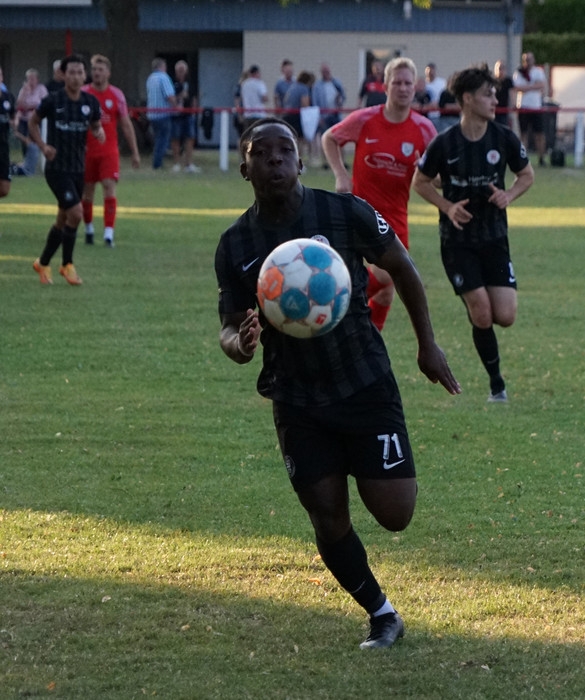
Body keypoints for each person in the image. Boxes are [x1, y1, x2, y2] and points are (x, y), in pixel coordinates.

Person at [216, 117, 460, 650]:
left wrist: (427, 344)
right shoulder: (235, 244)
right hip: (297, 397)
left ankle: (365, 458)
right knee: (327, 516)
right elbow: (230, 328)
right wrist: (242, 343)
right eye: (262, 153)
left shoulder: (343, 212)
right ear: (245, 167)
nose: (275, 160)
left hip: (364, 383)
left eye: (286, 151)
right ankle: (381, 613)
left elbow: (403, 266)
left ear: (302, 162)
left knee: (395, 514)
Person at [414, 64, 535, 402]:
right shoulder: (445, 143)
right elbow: (420, 182)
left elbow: (527, 175)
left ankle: (476, 298)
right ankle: (497, 384)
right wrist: (447, 206)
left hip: (495, 238)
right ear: (467, 99)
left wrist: (508, 195)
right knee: (482, 313)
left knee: (506, 317)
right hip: (458, 242)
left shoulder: (503, 137)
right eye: (487, 93)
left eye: (494, 93)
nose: (494, 98)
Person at [322, 57, 437, 332]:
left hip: (396, 216)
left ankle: (352, 323)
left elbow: (438, 174)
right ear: (385, 85)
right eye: (397, 82)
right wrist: (341, 174)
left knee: (386, 287)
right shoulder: (365, 119)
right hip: (360, 212)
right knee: (386, 277)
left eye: (408, 83)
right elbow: (330, 138)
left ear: (415, 88)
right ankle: (342, 309)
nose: (403, 88)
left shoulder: (424, 129)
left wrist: (440, 178)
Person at [29, 55, 105, 286]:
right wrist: (43, 146)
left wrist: (98, 132)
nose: (76, 76)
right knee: (75, 214)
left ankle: (42, 263)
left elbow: (96, 125)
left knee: (63, 219)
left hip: (77, 169)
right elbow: (32, 122)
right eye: (71, 72)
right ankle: (67, 265)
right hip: (56, 169)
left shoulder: (90, 103)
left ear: (84, 75)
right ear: (63, 75)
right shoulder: (53, 100)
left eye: (80, 72)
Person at [81, 54, 142, 247]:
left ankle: (108, 234)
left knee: (109, 187)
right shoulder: (84, 94)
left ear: (108, 73)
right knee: (87, 192)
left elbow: (125, 124)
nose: (97, 73)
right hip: (86, 152)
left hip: (108, 152)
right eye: (94, 70)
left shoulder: (116, 95)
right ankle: (89, 229)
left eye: (100, 70)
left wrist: (135, 152)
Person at [512, 52, 548, 166]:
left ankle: (541, 158)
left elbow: (541, 85)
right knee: (523, 134)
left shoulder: (538, 72)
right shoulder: (519, 73)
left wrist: (527, 87)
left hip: (536, 107)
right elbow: (517, 87)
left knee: (540, 134)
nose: (528, 62)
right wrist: (533, 86)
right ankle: (523, 158)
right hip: (523, 107)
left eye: (530, 59)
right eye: (526, 59)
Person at [13, 68, 47, 176]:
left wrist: (31, 106)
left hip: (36, 120)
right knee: (25, 141)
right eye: (29, 79)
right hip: (24, 119)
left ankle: (32, 166)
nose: (31, 81)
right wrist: (25, 92)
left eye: (33, 78)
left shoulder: (41, 89)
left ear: (37, 79)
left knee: (33, 142)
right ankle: (26, 164)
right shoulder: (24, 90)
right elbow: (20, 105)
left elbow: (44, 103)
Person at [145, 57, 176, 170]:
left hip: (152, 114)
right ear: (162, 66)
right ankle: (158, 163)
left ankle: (157, 160)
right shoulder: (164, 78)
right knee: (163, 139)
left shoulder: (150, 78)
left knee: (158, 138)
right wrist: (176, 106)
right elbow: (169, 96)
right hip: (163, 114)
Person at [170, 60, 200, 173]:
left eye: (183, 70)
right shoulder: (172, 82)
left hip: (189, 114)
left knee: (190, 138)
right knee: (175, 138)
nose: (181, 73)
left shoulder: (191, 82)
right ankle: (176, 163)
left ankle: (189, 164)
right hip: (176, 115)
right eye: (179, 70)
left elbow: (194, 97)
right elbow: (170, 97)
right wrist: (179, 96)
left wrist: (194, 110)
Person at [282, 70, 314, 163]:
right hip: (296, 116)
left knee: (290, 139)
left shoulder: (292, 86)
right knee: (300, 140)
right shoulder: (303, 88)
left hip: (287, 115)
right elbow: (305, 104)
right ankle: (298, 162)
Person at [312, 62, 345, 133]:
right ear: (321, 73)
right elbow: (315, 103)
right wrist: (319, 118)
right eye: (324, 71)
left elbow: (343, 96)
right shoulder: (317, 86)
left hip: (336, 116)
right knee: (325, 137)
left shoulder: (336, 83)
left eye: (327, 71)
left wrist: (339, 100)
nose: (326, 73)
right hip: (324, 117)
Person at [0, 69, 14, 198]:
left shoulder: (8, 98)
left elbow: (14, 114)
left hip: (3, 149)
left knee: (4, 189)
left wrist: (16, 121)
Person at [423, 62, 447, 128]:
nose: (430, 72)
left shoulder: (442, 83)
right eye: (428, 70)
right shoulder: (423, 84)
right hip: (426, 115)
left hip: (439, 115)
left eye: (432, 69)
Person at [493, 60, 514, 128]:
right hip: (493, 110)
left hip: (504, 111)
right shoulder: (492, 82)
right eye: (499, 68)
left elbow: (511, 94)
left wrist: (511, 108)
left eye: (502, 68)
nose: (500, 71)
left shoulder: (508, 81)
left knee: (504, 129)